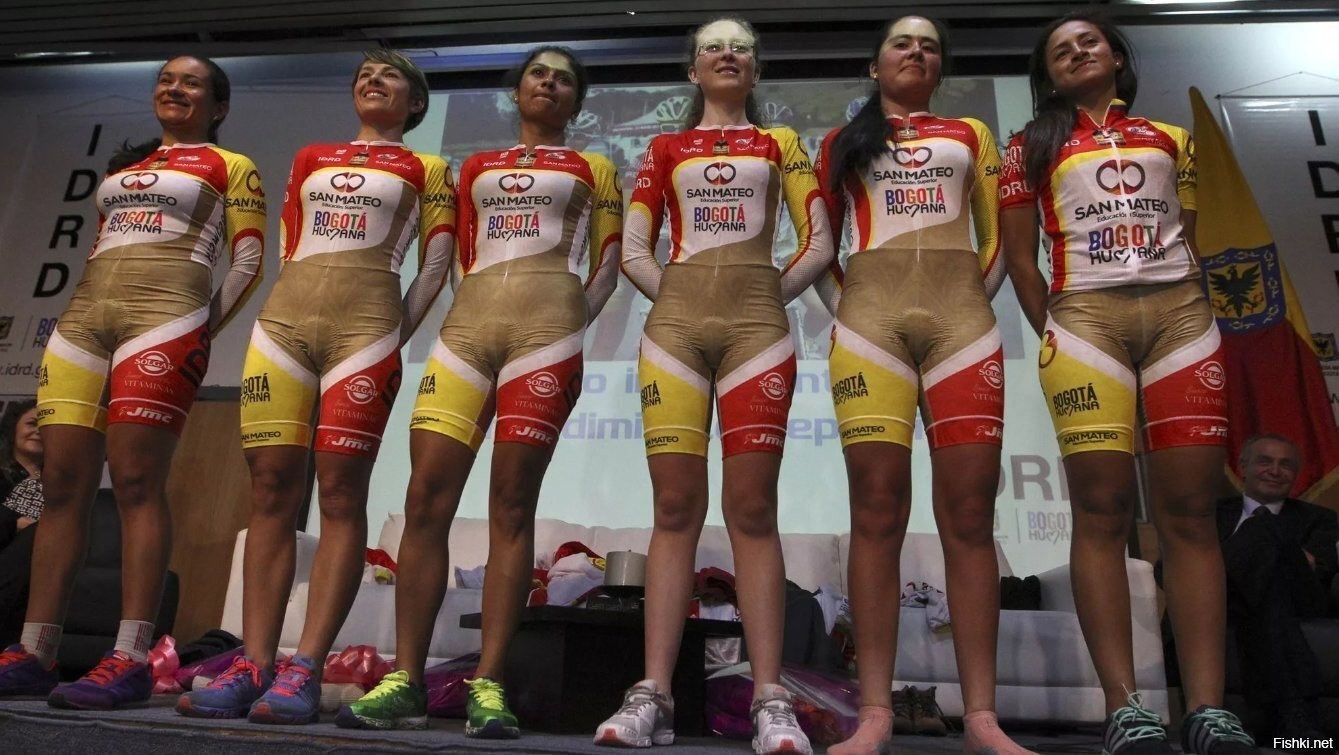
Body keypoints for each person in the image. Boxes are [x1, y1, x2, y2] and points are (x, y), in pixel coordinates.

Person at [334, 44, 622, 738]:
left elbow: (609, 264)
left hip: (546, 336)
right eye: (537, 75)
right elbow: (461, 259)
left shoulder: (597, 167)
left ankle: (488, 683)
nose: (547, 84)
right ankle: (405, 679)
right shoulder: (477, 167)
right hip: (466, 335)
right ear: (517, 92)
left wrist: (563, 323)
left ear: (576, 101)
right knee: (424, 498)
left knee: (511, 505)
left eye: (562, 79)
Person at [999, 11, 1257, 755]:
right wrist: (1057, 331)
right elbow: (1019, 260)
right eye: (1060, 50)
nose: (1077, 52)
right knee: (1101, 511)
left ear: (1116, 55)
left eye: (1089, 41)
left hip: (1181, 320)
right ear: (1048, 76)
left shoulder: (1172, 137)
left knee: (1191, 514)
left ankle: (1208, 710)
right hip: (1085, 322)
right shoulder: (1027, 146)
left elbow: (1192, 239)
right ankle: (1124, 708)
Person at [176, 49, 454, 724]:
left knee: (339, 492)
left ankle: (304, 667)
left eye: (389, 75)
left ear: (416, 103)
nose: (372, 80)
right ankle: (253, 663)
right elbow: (289, 245)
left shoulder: (430, 167)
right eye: (363, 73)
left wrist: (390, 333)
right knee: (270, 488)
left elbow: (436, 264)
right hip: (284, 326)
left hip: (367, 330)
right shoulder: (310, 156)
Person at [594, 16, 833, 755]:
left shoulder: (781, 143)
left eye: (741, 48)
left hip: (758, 333)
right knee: (673, 508)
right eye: (713, 48)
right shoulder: (664, 149)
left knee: (752, 509)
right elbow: (634, 248)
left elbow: (820, 242)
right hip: (675, 334)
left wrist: (765, 297)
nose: (728, 55)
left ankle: (769, 696)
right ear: (692, 71)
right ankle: (653, 693)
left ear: (755, 70)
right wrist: (678, 299)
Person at [0, 55, 265, 709]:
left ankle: (131, 655)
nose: (174, 87)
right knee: (61, 488)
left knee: (137, 483)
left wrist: (197, 328)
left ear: (220, 106)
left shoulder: (230, 165)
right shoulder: (123, 171)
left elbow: (249, 259)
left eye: (191, 82)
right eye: (166, 79)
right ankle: (34, 651)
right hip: (83, 325)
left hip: (164, 323)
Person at [813, 16, 1027, 755]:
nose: (916, 51)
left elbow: (996, 237)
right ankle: (874, 711)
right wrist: (848, 311)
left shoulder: (971, 132)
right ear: (875, 66)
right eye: (901, 43)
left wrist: (971, 300)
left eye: (929, 44)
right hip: (868, 327)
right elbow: (820, 244)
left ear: (941, 66)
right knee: (876, 510)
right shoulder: (842, 142)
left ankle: (982, 717)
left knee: (969, 513)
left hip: (961, 325)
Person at [1218, 433, 1337, 739]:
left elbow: (1320, 571)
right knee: (1270, 592)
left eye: (1286, 465)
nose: (1275, 471)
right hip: (1217, 603)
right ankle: (1294, 716)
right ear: (1243, 466)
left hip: (1300, 599)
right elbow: (1167, 570)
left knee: (1264, 526)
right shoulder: (1211, 513)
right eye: (1265, 461)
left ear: (1295, 474)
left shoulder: (1320, 519)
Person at [0, 400, 43, 637]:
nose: (38, 431)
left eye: (46, 427)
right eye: (32, 424)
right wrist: (14, 523)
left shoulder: (65, 483)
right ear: (13, 429)